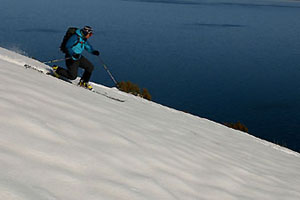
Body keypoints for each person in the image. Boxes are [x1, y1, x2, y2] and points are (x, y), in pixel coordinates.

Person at [53, 26, 100, 90]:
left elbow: (87, 46)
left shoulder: (83, 38)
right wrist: (73, 54)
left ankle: (84, 82)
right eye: (90, 34)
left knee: (90, 67)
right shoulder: (75, 37)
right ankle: (57, 69)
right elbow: (68, 46)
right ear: (86, 33)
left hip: (78, 57)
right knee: (72, 76)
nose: (90, 36)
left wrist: (93, 51)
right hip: (71, 58)